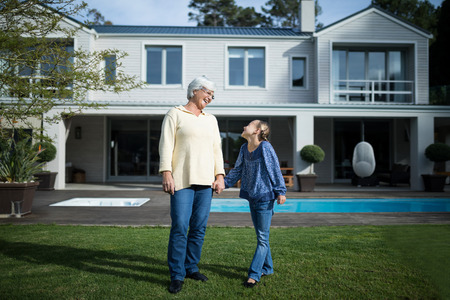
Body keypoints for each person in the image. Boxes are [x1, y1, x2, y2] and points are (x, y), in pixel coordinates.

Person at [159, 76, 225, 294]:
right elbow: (166, 145)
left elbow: (217, 149)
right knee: (180, 226)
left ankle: (191, 267)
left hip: (206, 182)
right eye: (208, 93)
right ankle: (177, 274)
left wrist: (220, 175)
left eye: (213, 95)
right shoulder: (175, 113)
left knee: (198, 228)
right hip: (181, 181)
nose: (210, 98)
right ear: (195, 91)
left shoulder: (211, 119)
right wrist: (166, 173)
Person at [224, 120, 286, 288]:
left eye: (249, 125)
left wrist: (280, 191)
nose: (244, 126)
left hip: (265, 197)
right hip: (253, 197)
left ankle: (254, 275)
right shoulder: (244, 149)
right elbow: (237, 170)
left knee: (262, 238)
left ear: (257, 131)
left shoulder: (265, 147)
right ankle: (268, 268)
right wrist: (224, 183)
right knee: (262, 235)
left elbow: (274, 169)